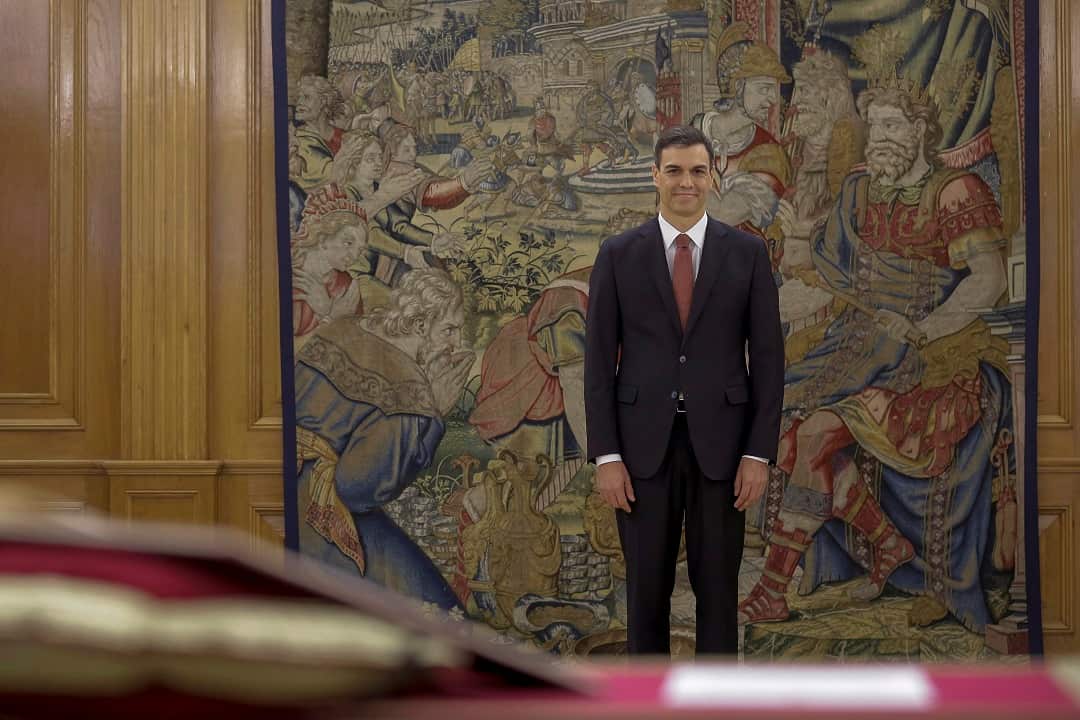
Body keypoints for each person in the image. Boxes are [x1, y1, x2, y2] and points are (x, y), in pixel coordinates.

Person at [735, 85, 1013, 632]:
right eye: (874, 127)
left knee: (813, 436)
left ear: (921, 133)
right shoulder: (860, 189)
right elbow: (832, 277)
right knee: (778, 425)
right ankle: (886, 547)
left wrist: (925, 326)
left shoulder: (955, 191)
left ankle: (772, 590)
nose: (879, 139)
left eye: (891, 127)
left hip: (928, 355)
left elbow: (990, 278)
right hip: (856, 345)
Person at [584, 125, 784, 655]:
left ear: (713, 177)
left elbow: (767, 362)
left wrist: (757, 454)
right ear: (655, 176)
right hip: (639, 453)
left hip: (724, 452)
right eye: (673, 170)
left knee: (718, 594)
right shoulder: (618, 254)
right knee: (645, 594)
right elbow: (599, 366)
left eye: (698, 170)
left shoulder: (746, 254)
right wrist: (606, 456)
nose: (686, 182)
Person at [295, 268, 473, 610]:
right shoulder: (408, 388)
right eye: (449, 330)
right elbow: (360, 490)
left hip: (285, 487)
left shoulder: (343, 328)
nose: (457, 344)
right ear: (420, 326)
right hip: (323, 513)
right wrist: (434, 413)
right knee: (437, 611)